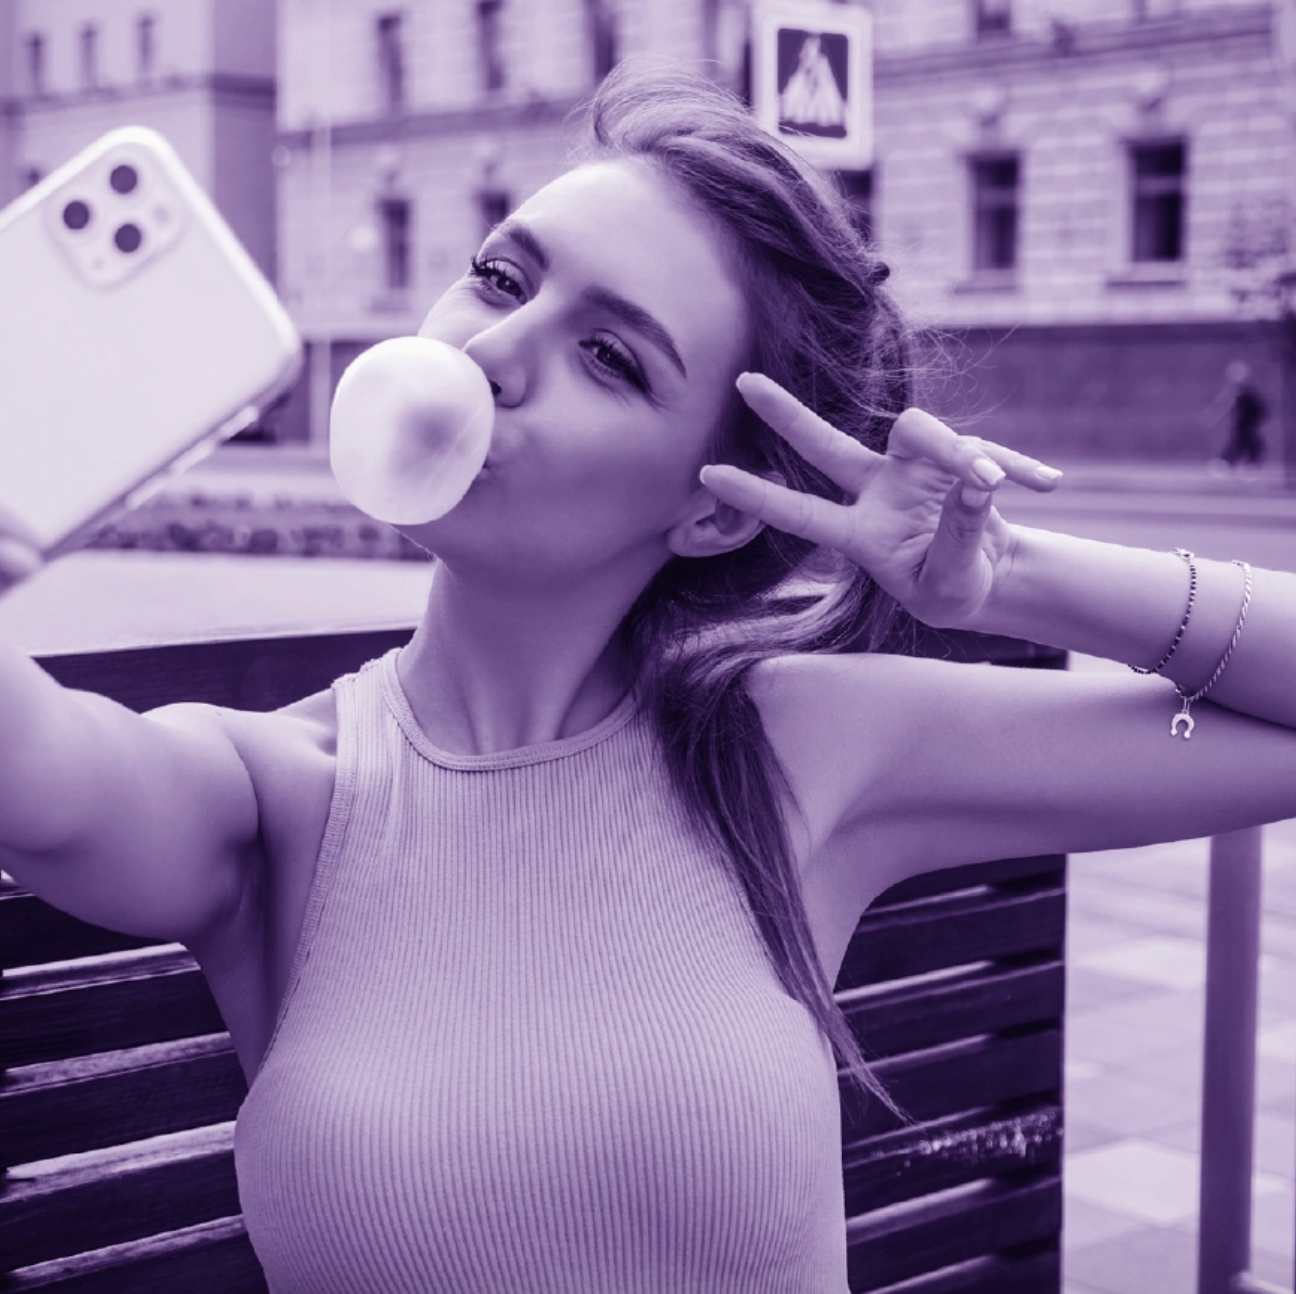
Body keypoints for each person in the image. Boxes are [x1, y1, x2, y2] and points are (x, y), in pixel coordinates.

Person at [2, 63, 1295, 1294]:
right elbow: (47, 781)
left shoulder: (799, 752)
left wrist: (1004, 578)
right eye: (501, 274)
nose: (497, 349)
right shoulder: (275, 795)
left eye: (612, 356)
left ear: (713, 512)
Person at [1204, 358, 1268, 468]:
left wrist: (1213, 414)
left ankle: (1229, 461)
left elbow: (1258, 408)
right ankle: (1241, 461)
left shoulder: (1248, 391)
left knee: (1246, 438)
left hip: (1248, 419)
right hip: (1243, 420)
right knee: (1244, 438)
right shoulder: (1237, 390)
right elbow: (1224, 402)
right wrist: (1213, 414)